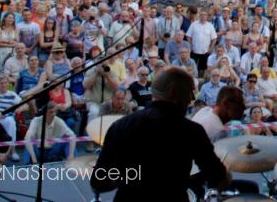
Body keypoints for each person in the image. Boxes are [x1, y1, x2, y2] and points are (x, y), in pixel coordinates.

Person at [92, 67, 230, 202]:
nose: (191, 100)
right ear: (173, 93)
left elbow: (99, 182)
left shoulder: (120, 126)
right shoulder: (191, 131)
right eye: (189, 93)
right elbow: (218, 177)